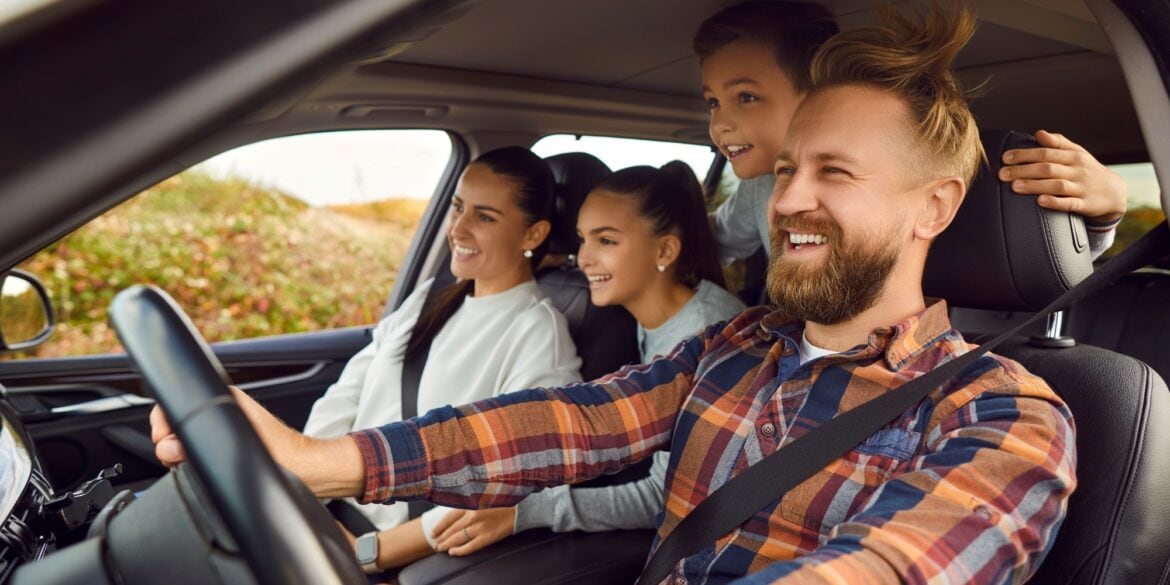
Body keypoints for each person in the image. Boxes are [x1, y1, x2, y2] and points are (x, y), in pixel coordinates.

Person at [153, 5, 1076, 583]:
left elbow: (890, 567)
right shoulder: (739, 346)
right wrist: (325, 461)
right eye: (789, 167)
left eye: (834, 171)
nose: (790, 198)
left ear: (934, 206)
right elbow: (575, 421)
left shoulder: (1004, 412)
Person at [425, 162, 746, 555]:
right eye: (582, 240)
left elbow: (666, 497)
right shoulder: (658, 312)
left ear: (664, 250)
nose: (585, 258)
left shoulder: (708, 335)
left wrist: (525, 512)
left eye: (606, 241)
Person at [300, 146, 583, 572]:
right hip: (323, 516)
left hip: (381, 553)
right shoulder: (429, 298)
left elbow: (512, 483)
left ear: (533, 235)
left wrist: (367, 553)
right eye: (457, 207)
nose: (458, 228)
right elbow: (347, 395)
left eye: (485, 217)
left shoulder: (537, 333)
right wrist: (303, 492)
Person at [701, 1, 1125, 267]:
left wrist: (1106, 214)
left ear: (820, 92)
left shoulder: (907, 180)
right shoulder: (761, 191)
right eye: (713, 102)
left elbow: (1032, 250)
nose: (720, 124)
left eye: (746, 97)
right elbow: (713, 239)